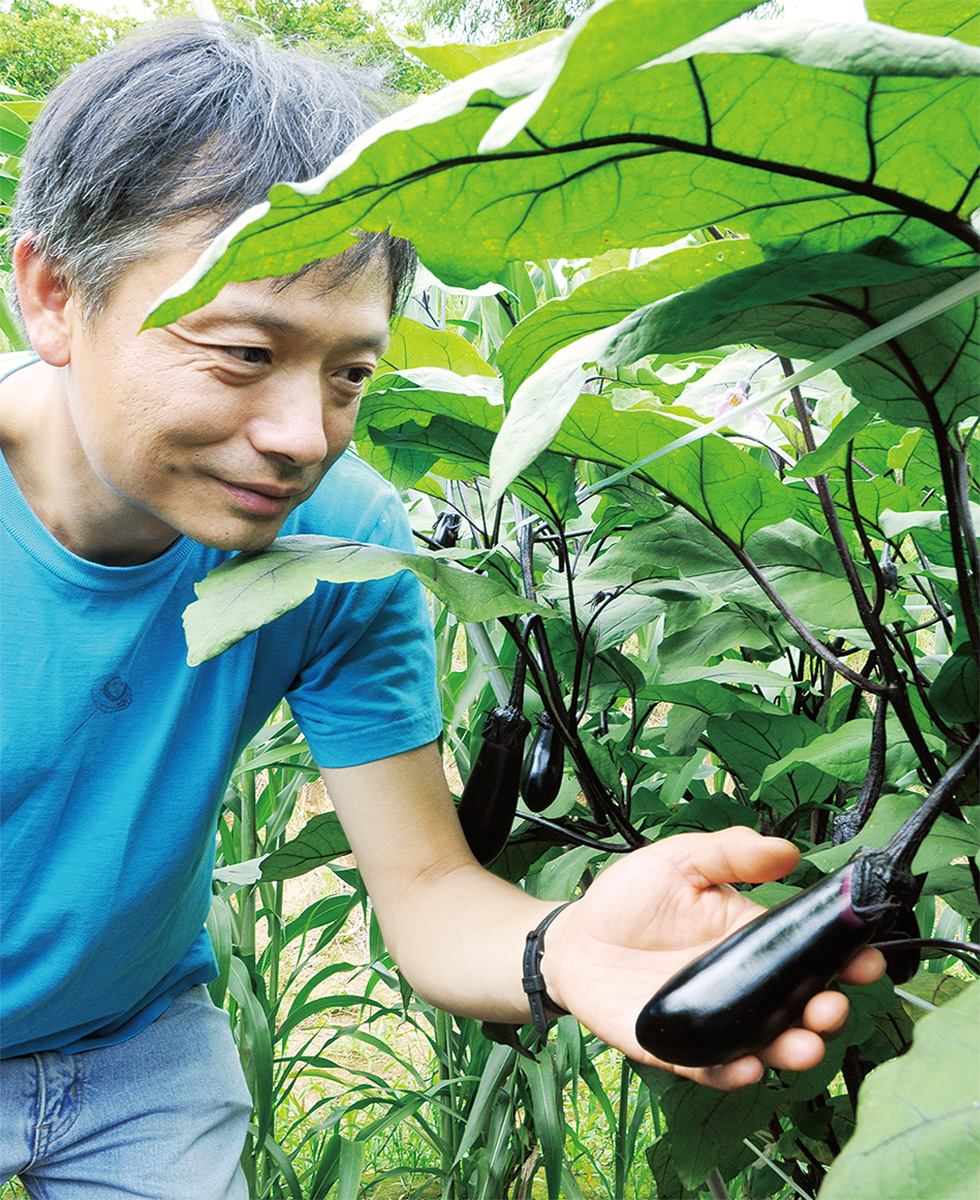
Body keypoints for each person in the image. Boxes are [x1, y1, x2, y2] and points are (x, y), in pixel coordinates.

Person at [0, 20, 885, 1199]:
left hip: (134, 1048)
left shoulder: (339, 543)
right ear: (55, 295)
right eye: (243, 351)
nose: (303, 437)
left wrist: (564, 947)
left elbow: (423, 889)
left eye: (348, 374)